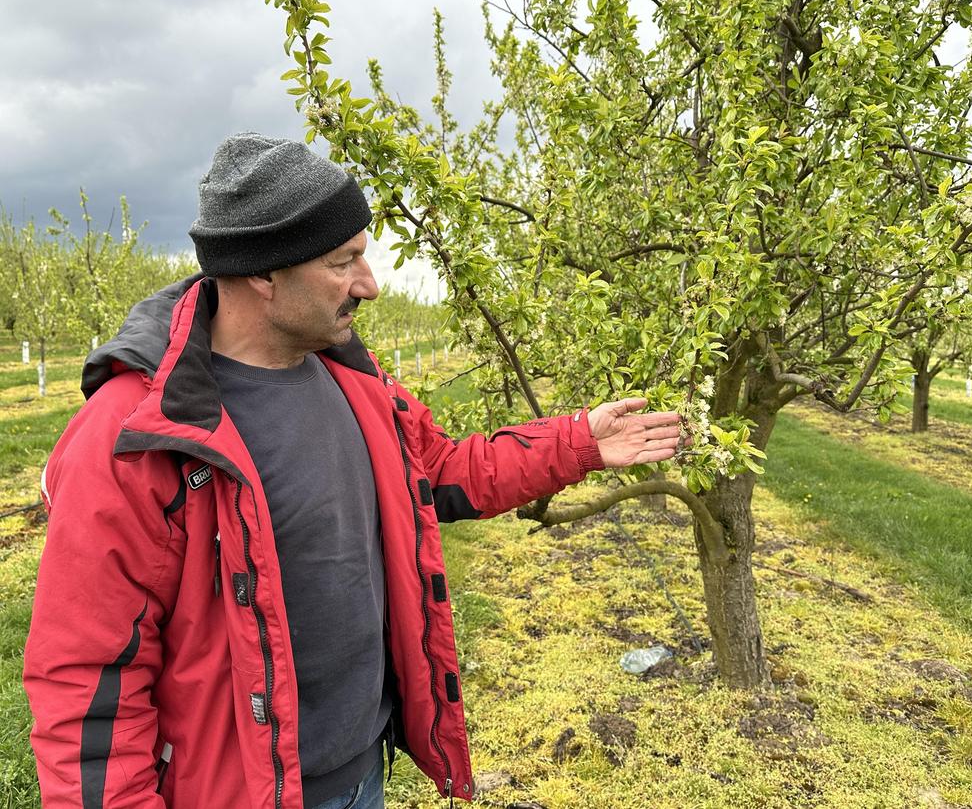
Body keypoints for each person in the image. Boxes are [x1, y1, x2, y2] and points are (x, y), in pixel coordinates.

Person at [23, 133, 685, 809]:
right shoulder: (140, 435)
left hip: (363, 773)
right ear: (264, 272)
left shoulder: (355, 383)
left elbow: (446, 470)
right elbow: (89, 687)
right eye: (345, 262)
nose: (368, 285)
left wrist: (578, 443)